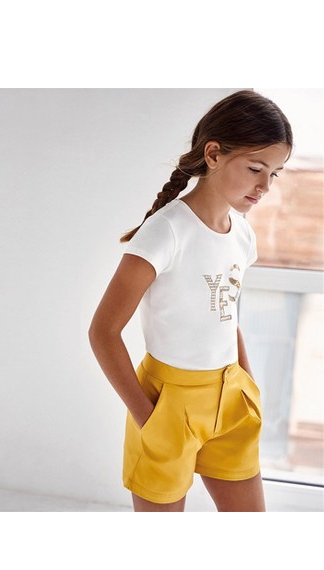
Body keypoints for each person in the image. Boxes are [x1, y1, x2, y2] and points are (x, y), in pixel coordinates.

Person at [88, 90, 293, 512]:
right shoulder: (166, 232)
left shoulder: (242, 233)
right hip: (168, 403)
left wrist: (248, 386)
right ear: (213, 154)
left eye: (275, 174)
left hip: (232, 399)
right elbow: (103, 332)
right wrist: (147, 418)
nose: (265, 186)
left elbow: (225, 315)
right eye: (256, 169)